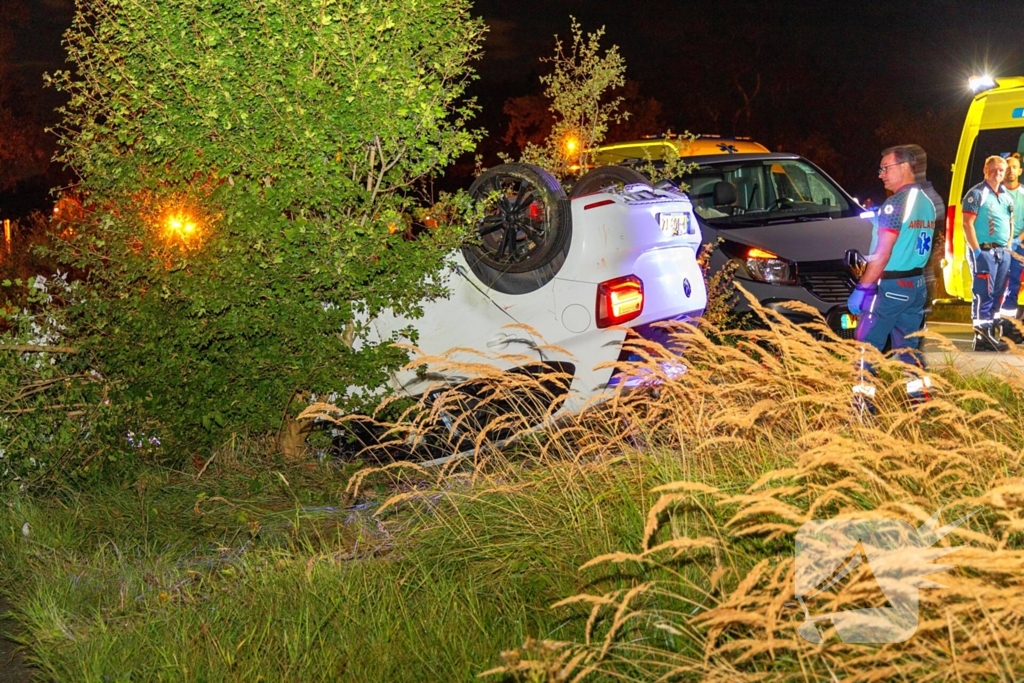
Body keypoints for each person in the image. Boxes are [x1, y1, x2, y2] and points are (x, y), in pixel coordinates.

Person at [847, 146, 936, 401]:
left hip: (891, 287)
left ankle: (862, 408)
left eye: (886, 168)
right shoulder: (926, 203)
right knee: (909, 350)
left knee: (866, 349)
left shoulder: (895, 204)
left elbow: (883, 253)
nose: (881, 174)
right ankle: (920, 402)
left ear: (905, 167)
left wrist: (863, 288)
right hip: (916, 284)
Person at [962, 155, 1015, 351]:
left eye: (1001, 170)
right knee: (983, 293)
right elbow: (967, 224)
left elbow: (1010, 223)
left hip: (1002, 253)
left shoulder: (1006, 196)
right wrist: (976, 252)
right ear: (985, 170)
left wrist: (1008, 246)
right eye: (993, 169)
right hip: (984, 251)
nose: (997, 173)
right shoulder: (976, 194)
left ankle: (991, 333)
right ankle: (981, 336)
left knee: (998, 294)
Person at [998, 153, 1024, 341]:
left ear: (1020, 171)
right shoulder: (996, 192)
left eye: (1014, 167)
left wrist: (1019, 239)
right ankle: (990, 325)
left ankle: (1007, 327)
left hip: (1018, 245)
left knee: (1013, 285)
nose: (1010, 170)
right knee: (996, 285)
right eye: (1007, 167)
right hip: (999, 245)